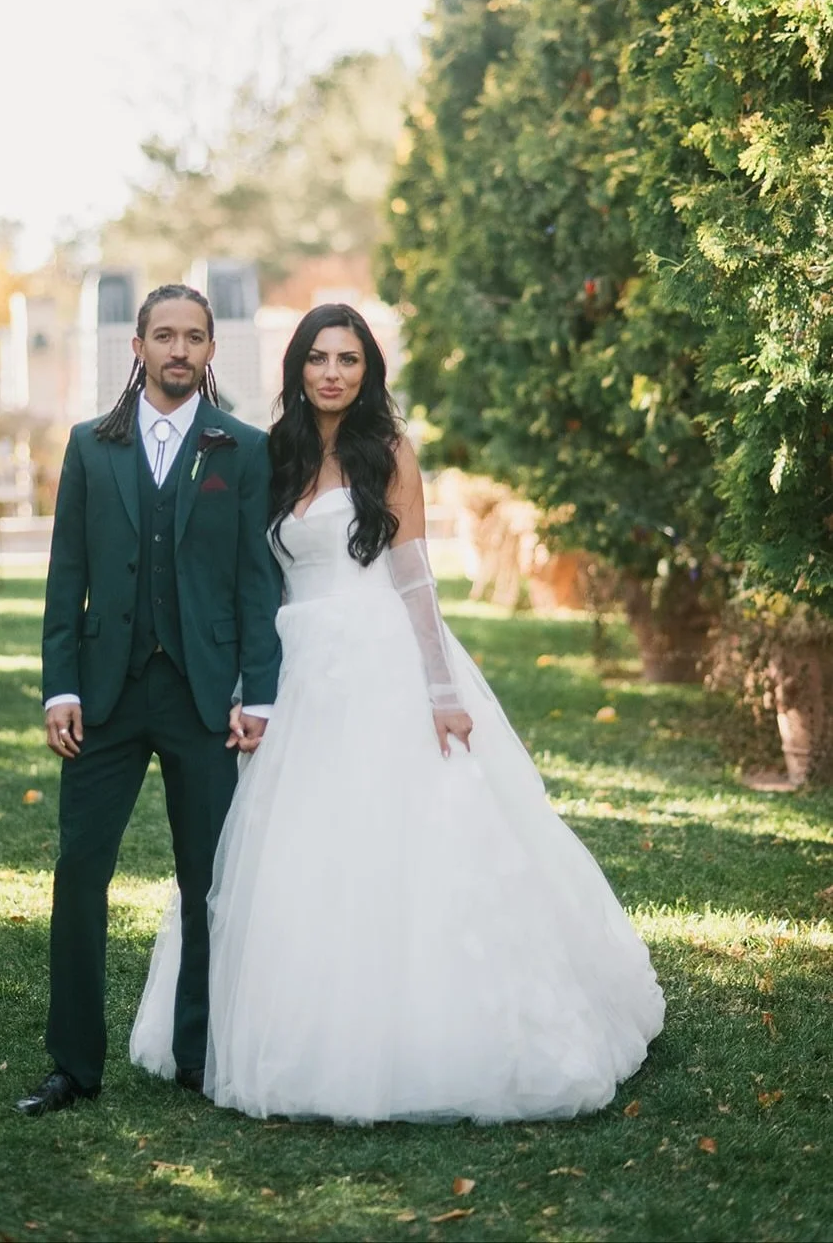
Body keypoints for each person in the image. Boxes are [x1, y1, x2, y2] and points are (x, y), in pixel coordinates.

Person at [130, 302, 664, 1124]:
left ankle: (418, 1035)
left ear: (366, 370)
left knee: (395, 838)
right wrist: (245, 684)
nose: (332, 373)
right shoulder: (272, 456)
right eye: (317, 358)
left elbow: (413, 575)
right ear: (297, 369)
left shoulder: (389, 453)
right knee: (282, 846)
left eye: (347, 359)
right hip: (292, 664)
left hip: (377, 654)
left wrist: (440, 688)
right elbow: (254, 580)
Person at [16, 284, 282, 1117]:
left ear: (209, 351)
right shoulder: (90, 447)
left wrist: (260, 697)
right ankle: (72, 1064)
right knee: (78, 871)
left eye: (192, 337)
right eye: (162, 335)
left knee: (206, 881)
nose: (177, 350)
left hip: (204, 700)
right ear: (136, 346)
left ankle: (200, 1056)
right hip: (104, 697)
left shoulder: (239, 448)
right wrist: (60, 684)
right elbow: (67, 577)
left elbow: (254, 580)